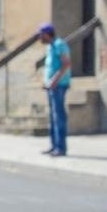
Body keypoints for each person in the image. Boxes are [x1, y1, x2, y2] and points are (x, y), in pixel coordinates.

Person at [39, 23, 71, 158]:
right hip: (52, 85)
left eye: (41, 35)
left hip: (59, 85)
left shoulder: (59, 44)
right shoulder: (50, 47)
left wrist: (54, 80)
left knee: (58, 116)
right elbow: (51, 66)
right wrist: (46, 81)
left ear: (47, 34)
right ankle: (54, 145)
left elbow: (66, 64)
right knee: (53, 116)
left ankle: (61, 148)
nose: (40, 38)